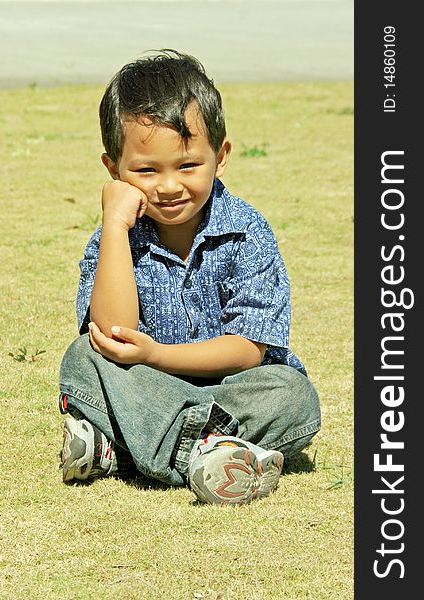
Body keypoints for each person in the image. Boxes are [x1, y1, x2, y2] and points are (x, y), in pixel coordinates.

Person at [58, 50, 321, 505]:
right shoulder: (112, 237)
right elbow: (112, 334)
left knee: (292, 394)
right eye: (145, 170)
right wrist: (117, 227)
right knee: (84, 357)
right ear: (113, 170)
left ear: (220, 158)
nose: (168, 186)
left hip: (232, 389)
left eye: (187, 165)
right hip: (145, 388)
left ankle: (124, 451)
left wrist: (159, 355)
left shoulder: (248, 231)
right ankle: (208, 455)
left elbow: (247, 350)